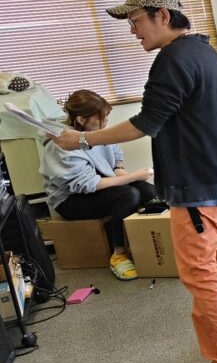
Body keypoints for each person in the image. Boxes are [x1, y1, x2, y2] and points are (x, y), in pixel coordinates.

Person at [52, 0, 217, 363]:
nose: (133, 31)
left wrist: (82, 139)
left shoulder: (172, 59)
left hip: (199, 186)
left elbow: (145, 123)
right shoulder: (203, 50)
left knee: (200, 273)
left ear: (162, 16)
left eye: (136, 21)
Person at [41, 89, 157, 281]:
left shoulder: (97, 133)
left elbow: (116, 155)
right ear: (81, 119)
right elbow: (87, 184)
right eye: (102, 118)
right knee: (129, 194)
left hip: (100, 186)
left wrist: (120, 169)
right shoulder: (62, 144)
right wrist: (131, 177)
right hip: (71, 200)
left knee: (146, 190)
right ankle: (118, 254)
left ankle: (156, 240)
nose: (107, 122)